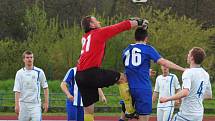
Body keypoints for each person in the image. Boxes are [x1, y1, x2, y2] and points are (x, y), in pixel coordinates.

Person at [75, 15, 148, 121]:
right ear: (91, 24)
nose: (99, 21)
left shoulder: (85, 37)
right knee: (122, 78)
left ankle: (129, 111)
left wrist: (132, 21)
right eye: (96, 20)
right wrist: (139, 22)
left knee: (88, 111)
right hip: (90, 72)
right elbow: (120, 27)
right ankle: (130, 111)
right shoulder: (98, 33)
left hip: (79, 75)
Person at [122, 28, 185, 121]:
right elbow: (164, 62)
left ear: (134, 37)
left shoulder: (127, 49)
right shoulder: (147, 48)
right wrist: (183, 69)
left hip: (128, 87)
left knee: (124, 117)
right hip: (142, 88)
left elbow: (131, 68)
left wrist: (145, 73)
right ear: (146, 38)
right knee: (143, 118)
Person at [160, 47, 213, 121]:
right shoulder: (205, 74)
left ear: (192, 57)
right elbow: (209, 95)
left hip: (186, 115)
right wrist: (194, 97)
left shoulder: (188, 72)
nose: (187, 55)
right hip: (199, 115)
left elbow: (185, 92)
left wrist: (167, 98)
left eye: (189, 53)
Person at [13, 50, 49, 121]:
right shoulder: (19, 73)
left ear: (33, 59)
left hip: (35, 105)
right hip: (23, 104)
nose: (29, 59)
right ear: (24, 59)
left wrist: (46, 102)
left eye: (31, 57)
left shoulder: (39, 72)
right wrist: (17, 105)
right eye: (27, 57)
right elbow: (17, 90)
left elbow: (45, 87)